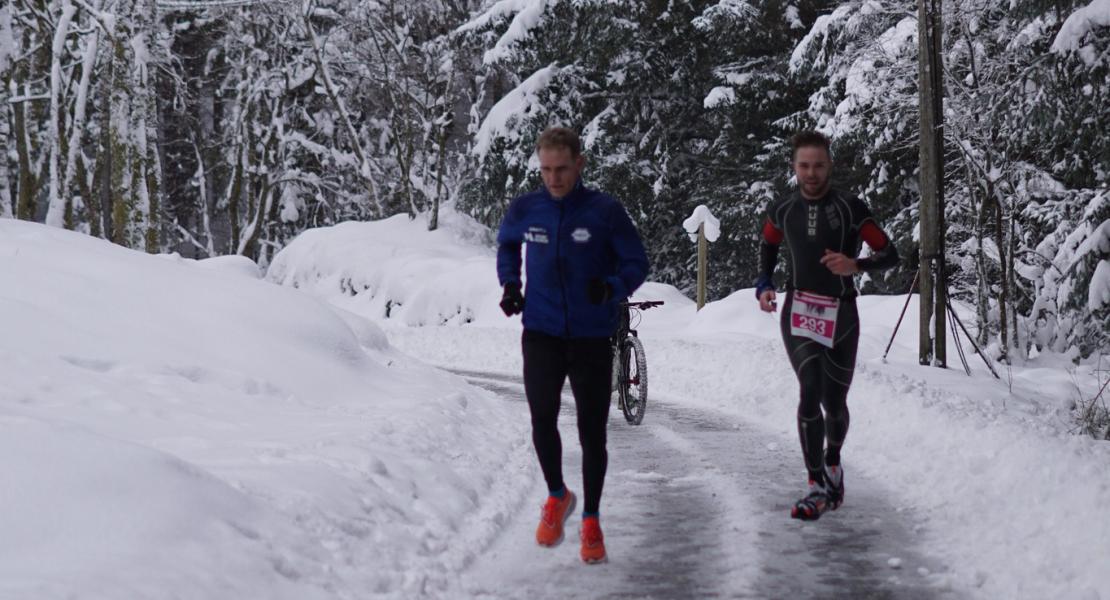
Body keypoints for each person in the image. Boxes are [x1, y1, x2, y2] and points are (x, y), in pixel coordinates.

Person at [496, 127, 649, 563]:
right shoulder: (527, 208)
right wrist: (511, 284)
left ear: (579, 164)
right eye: (546, 170)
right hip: (541, 330)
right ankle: (557, 495)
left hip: (590, 335)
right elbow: (507, 245)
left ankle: (592, 519)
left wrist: (614, 286)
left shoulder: (604, 211)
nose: (554, 178)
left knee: (591, 430)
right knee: (542, 417)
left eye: (562, 169)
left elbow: (637, 260)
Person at [755, 130, 899, 521]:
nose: (812, 173)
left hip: (842, 314)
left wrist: (857, 265)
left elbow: (890, 253)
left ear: (829, 165)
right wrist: (764, 285)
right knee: (809, 390)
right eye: (804, 165)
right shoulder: (783, 209)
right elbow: (768, 244)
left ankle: (832, 460)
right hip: (798, 310)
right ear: (794, 167)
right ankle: (816, 482)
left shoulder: (851, 208)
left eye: (818, 165)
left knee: (834, 405)